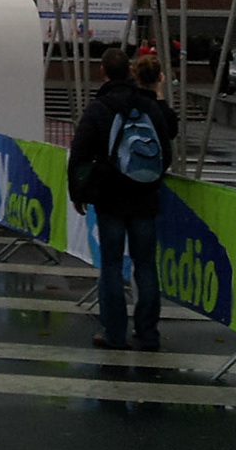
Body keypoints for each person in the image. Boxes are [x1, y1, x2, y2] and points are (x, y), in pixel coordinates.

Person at [68, 45, 174, 352]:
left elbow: (80, 154)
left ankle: (114, 333)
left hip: (109, 198)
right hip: (144, 197)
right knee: (146, 266)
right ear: (130, 71)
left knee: (112, 265)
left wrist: (79, 192)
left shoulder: (99, 109)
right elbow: (165, 150)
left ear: (103, 72)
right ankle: (148, 333)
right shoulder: (148, 106)